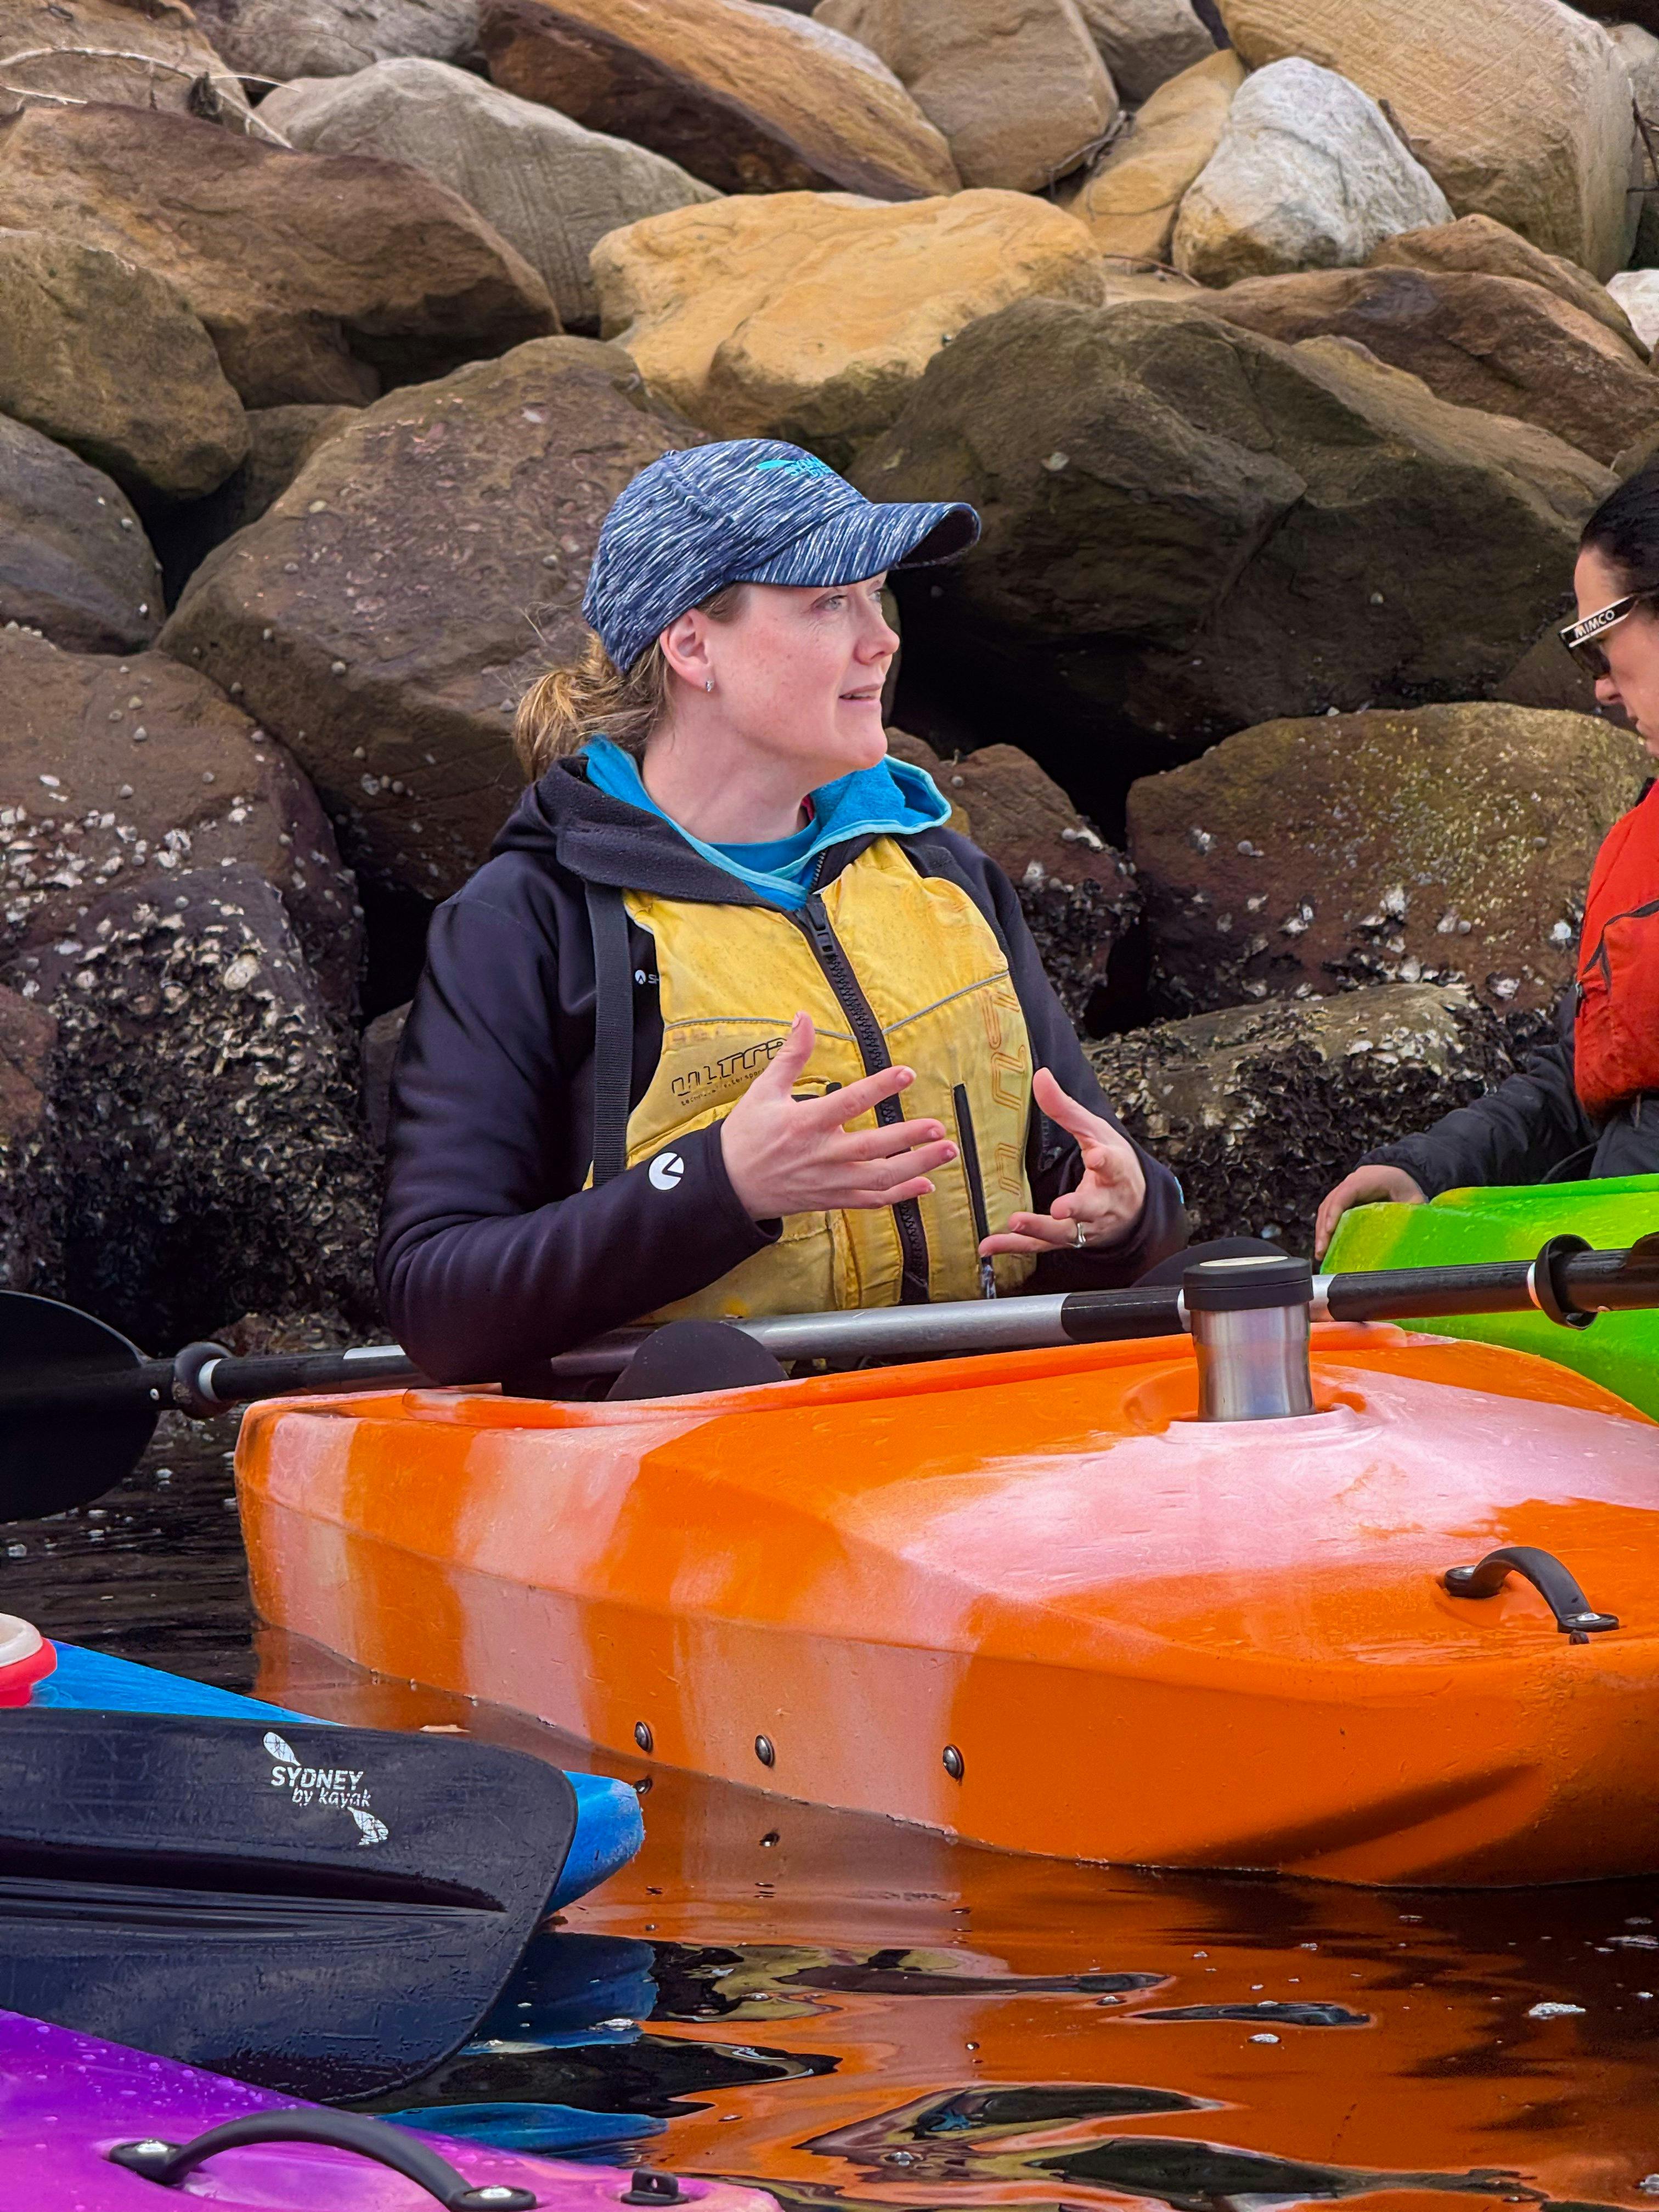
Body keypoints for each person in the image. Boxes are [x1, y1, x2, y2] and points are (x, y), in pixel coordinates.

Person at [378, 439, 1186, 1384]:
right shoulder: (525, 921)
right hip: (707, 1457)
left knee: (1228, 1273)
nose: (879, 639)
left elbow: (1089, 1185)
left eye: (876, 596)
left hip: (980, 1434)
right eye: (827, 602)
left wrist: (1132, 1216)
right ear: (692, 646)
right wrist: (719, 1186)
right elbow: (435, 1300)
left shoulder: (947, 875)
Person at [1314, 462, 1659, 1261]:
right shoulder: (1637, 841)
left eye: (1599, 643)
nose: (1601, 688)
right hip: (1610, 1275)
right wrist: (1428, 1169)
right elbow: (1586, 1080)